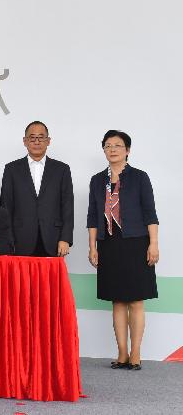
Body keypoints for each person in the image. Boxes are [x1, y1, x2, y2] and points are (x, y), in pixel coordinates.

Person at [87, 130, 159, 371]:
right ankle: (122, 353)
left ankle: (136, 352)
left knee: (136, 300)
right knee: (117, 300)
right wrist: (92, 246)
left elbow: (150, 213)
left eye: (118, 145)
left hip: (136, 242)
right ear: (104, 150)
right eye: (108, 145)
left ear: (127, 150)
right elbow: (92, 216)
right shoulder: (97, 180)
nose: (113, 149)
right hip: (109, 244)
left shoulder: (139, 177)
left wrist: (154, 243)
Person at [0, 121, 74, 256]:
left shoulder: (62, 169)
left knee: (50, 278)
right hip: (20, 240)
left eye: (41, 137)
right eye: (32, 138)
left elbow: (67, 206)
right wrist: (8, 240)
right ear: (25, 141)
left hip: (53, 239)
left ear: (48, 141)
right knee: (22, 278)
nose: (37, 142)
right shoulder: (11, 169)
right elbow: (6, 207)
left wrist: (65, 238)